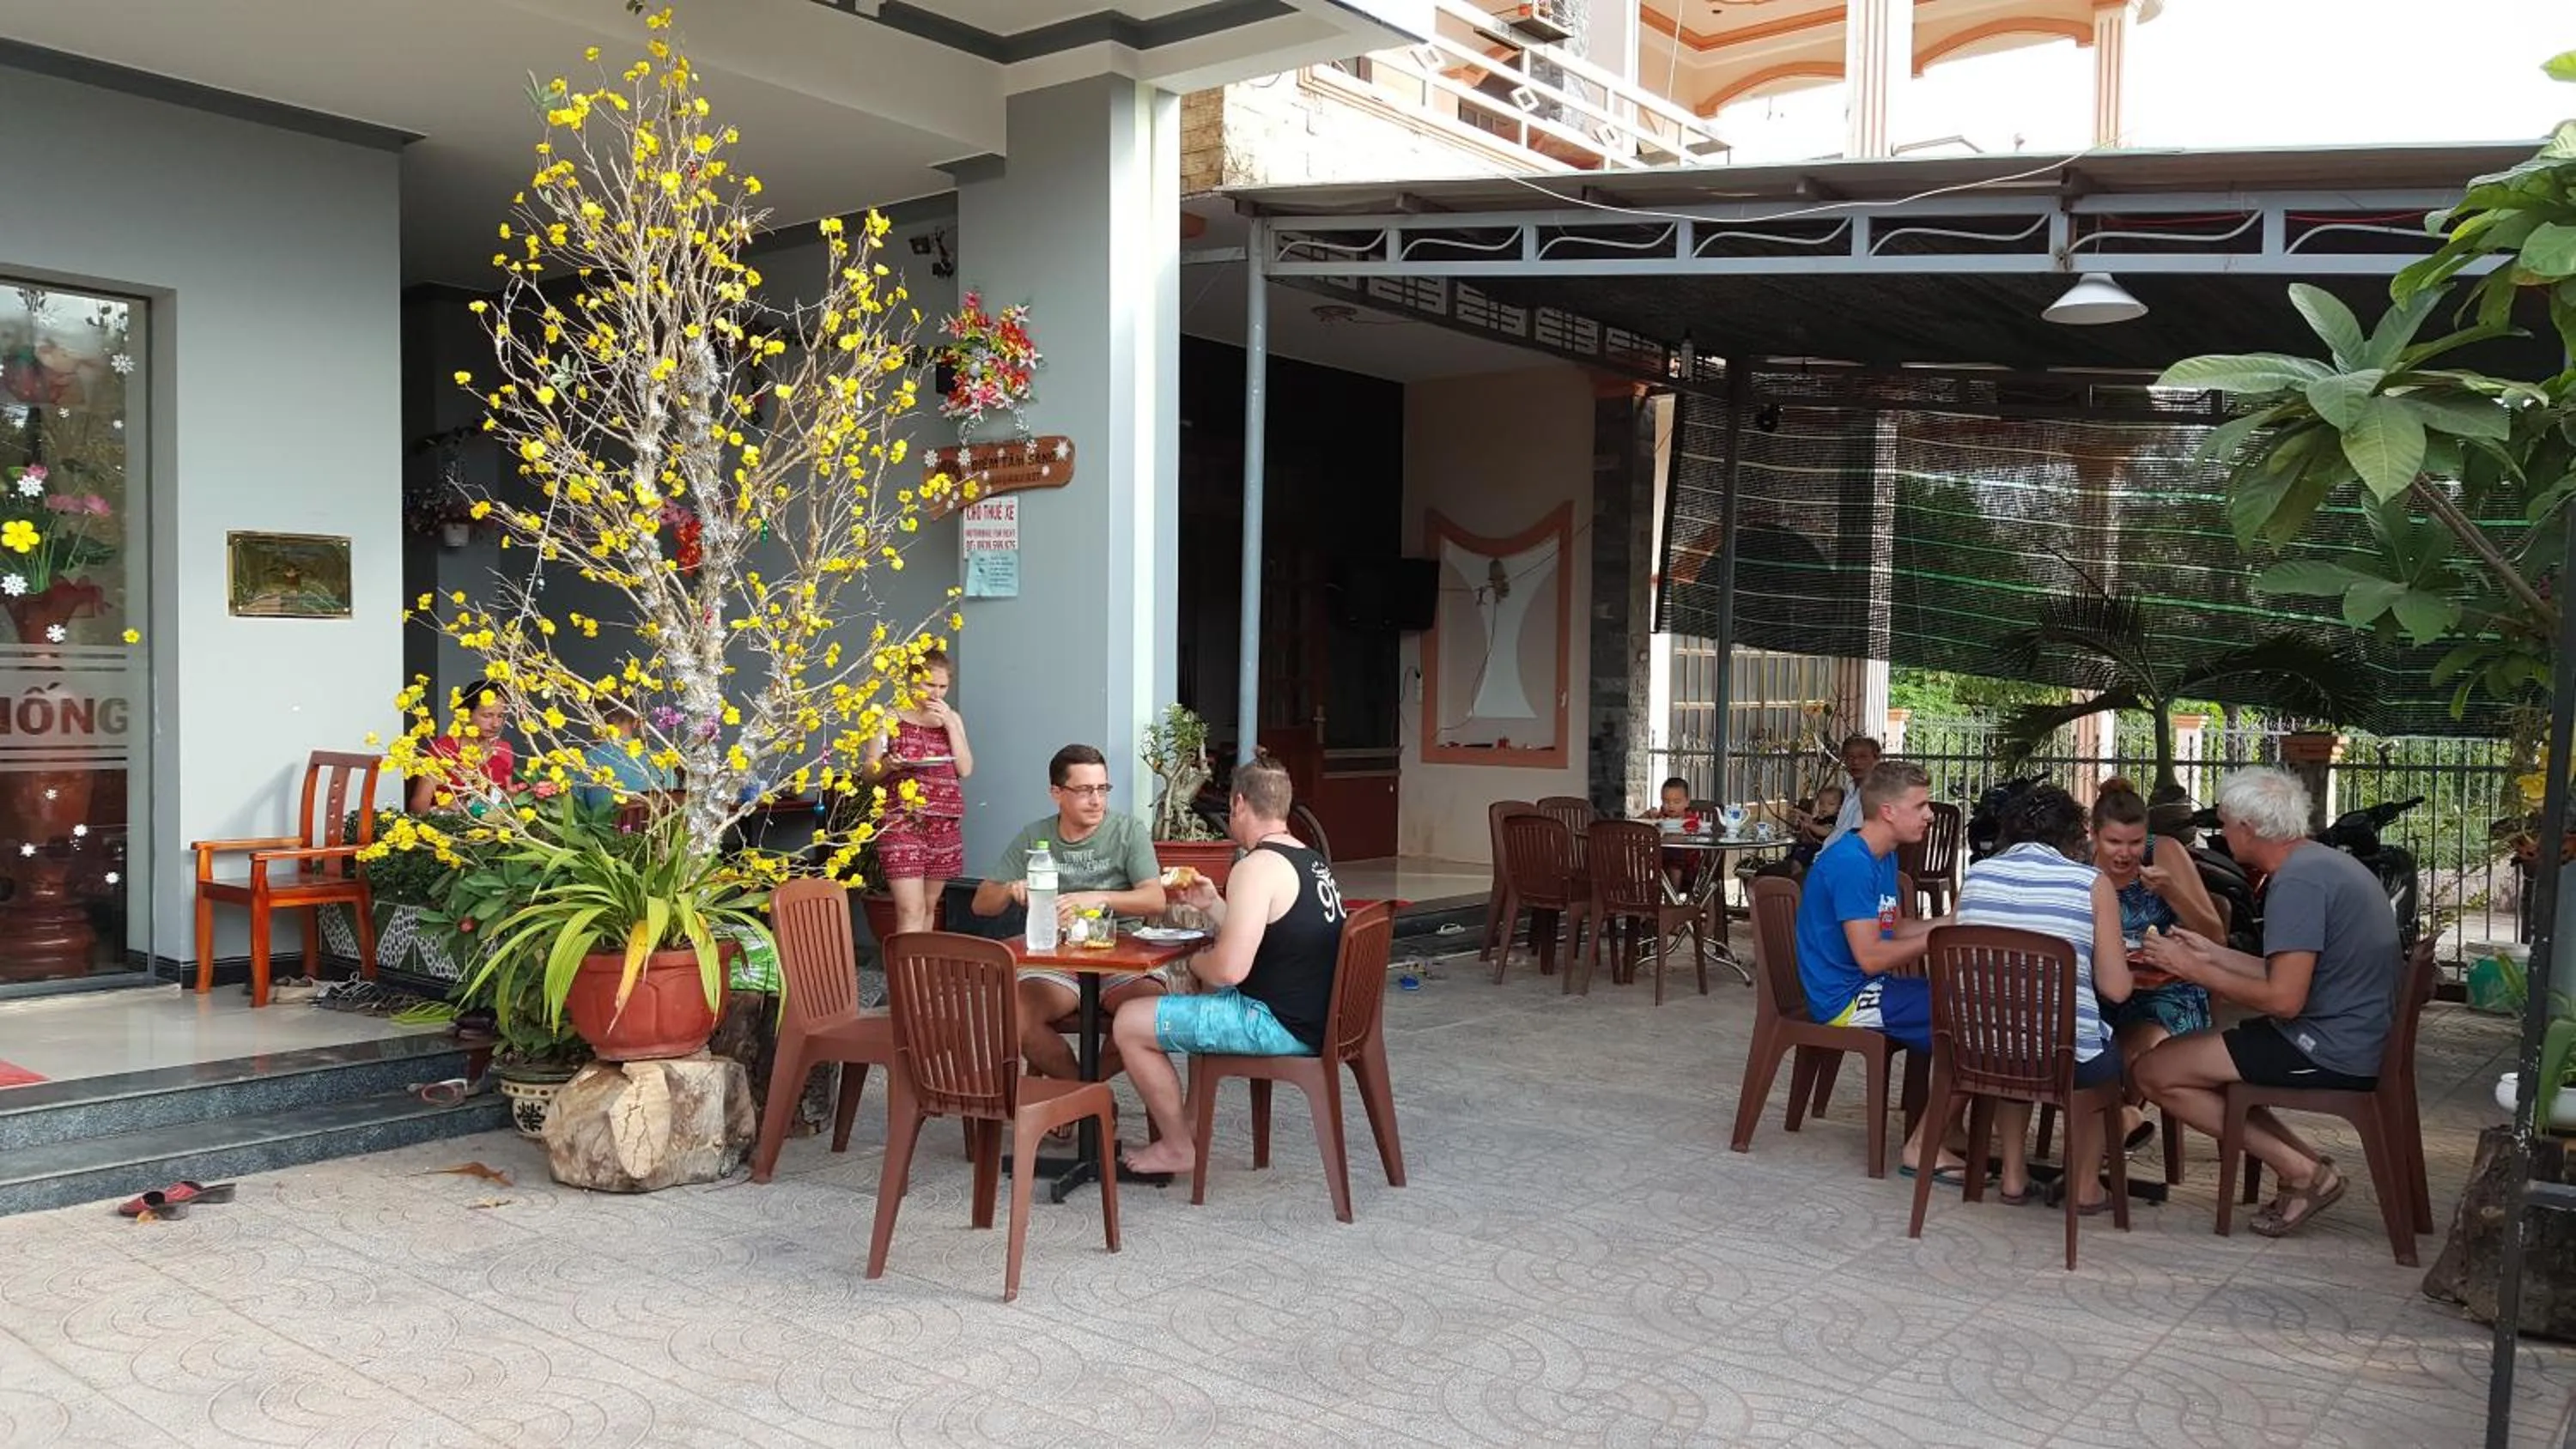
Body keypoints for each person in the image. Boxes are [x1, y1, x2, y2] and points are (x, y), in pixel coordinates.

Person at [2136, 767, 2402, 1239]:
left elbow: (2283, 998)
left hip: (2327, 1045)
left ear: (2248, 828)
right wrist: (2211, 955)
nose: (2222, 833)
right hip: (2349, 1032)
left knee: (2156, 1071)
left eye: (2225, 823)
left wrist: (2194, 969)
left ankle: (2302, 1172)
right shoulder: (2319, 864)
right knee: (2185, 1062)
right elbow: (2284, 971)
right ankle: (2308, 1166)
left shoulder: (2297, 883)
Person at [1113, 755, 1346, 1176]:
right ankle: (1190, 1123)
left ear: (1238, 803)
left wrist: (1195, 962)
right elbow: (1273, 933)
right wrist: (1213, 905)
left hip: (1274, 1023)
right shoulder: (1310, 860)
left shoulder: (1255, 867)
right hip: (1313, 1015)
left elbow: (1229, 971)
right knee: (1207, 995)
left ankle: (1177, 1147)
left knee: (1130, 1021)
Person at [1953, 784, 2130, 1210]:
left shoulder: (1977, 876)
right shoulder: (2091, 884)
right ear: (2076, 836)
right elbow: (2116, 989)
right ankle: (2086, 1187)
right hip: (2062, 1058)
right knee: (2097, 1052)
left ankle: (2013, 1176)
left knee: (2015, 1037)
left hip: (1981, 1050)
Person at [1794, 757, 1953, 1173]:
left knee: (1967, 1007)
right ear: (1888, 811)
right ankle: (1926, 1145)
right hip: (1844, 1001)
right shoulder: (1850, 862)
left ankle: (1943, 1130)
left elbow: (1893, 927)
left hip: (1870, 988)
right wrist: (1941, 939)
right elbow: (1871, 956)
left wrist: (1953, 922)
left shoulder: (1883, 856)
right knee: (1967, 1019)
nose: (1930, 815)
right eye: (1920, 805)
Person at [970, 743, 1168, 1079]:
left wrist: (1098, 898)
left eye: (1103, 788)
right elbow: (981, 904)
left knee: (1152, 1014)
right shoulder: (1035, 836)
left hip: (1123, 954)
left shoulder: (1127, 831)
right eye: (1084, 790)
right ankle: (1084, 1097)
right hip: (1056, 958)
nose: (1096, 800)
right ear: (1057, 793)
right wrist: (1009, 890)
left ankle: (1083, 1097)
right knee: (1015, 1015)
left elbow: (1155, 899)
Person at [2092, 776, 2225, 1150]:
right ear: (2093, 835)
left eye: (2135, 842)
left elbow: (2216, 935)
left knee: (2135, 1048)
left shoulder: (2163, 852)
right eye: (2114, 842)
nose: (2125, 854)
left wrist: (2172, 892)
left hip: (2167, 992)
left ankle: (2113, 1127)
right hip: (2101, 987)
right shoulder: (2080, 862)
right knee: (2075, 1039)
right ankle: (2121, 1121)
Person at [861, 650, 974, 935]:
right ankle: (906, 965)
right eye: (929, 685)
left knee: (929, 905)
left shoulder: (952, 719)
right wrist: (888, 766)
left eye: (942, 686)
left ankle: (920, 964)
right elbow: (868, 772)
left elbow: (965, 768)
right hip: (901, 820)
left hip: (944, 822)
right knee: (910, 909)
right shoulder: (889, 718)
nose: (936, 693)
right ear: (912, 681)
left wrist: (950, 724)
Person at [409, 682, 519, 813]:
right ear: (467, 714)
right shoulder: (444, 750)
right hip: (447, 823)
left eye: (500, 716)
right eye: (487, 715)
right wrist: (442, 809)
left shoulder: (504, 749)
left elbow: (506, 798)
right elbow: (418, 806)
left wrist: (523, 794)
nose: (496, 724)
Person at [1818, 735, 1882, 850]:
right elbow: (1839, 832)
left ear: (1876, 759)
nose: (1855, 762)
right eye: (1850, 757)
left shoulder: (1878, 794)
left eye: (1863, 757)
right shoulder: (1849, 791)